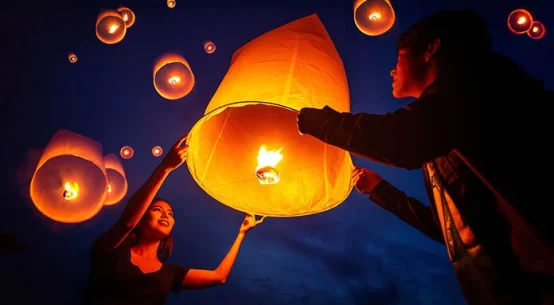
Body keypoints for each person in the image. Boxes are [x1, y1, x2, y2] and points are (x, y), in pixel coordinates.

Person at [297, 9, 553, 305]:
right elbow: (451, 231)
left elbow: (403, 138)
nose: (392, 70)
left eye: (398, 58)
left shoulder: (481, 84)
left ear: (431, 48)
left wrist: (315, 121)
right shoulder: (447, 131)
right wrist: (381, 191)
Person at [82, 134, 265, 305]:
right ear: (141, 219)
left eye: (170, 214)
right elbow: (126, 223)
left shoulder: (169, 273)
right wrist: (165, 167)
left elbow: (219, 277)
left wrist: (242, 233)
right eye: (157, 210)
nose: (165, 215)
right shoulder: (111, 251)